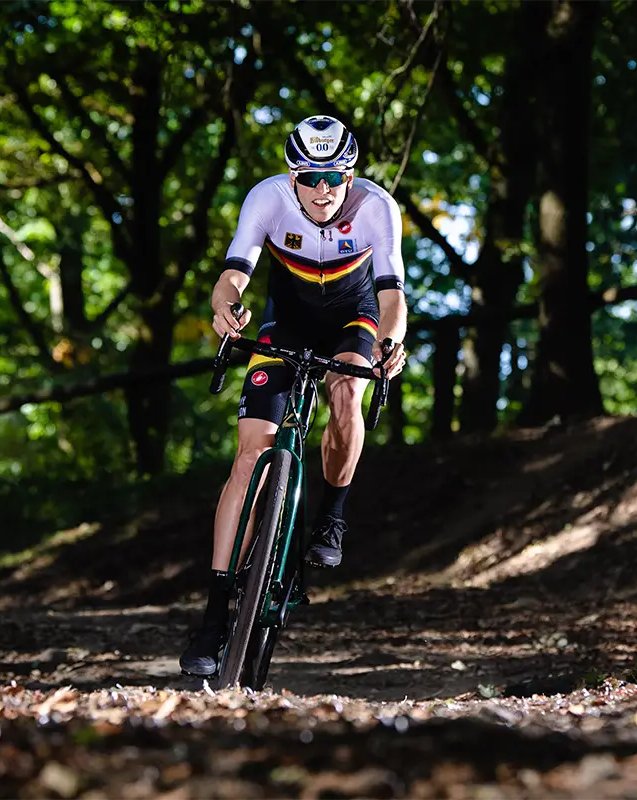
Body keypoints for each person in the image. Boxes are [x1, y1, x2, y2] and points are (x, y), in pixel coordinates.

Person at [179, 115, 409, 677]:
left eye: (335, 177)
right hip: (286, 324)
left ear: (350, 175)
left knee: (348, 391)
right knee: (248, 456)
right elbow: (234, 273)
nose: (323, 190)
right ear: (293, 177)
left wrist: (390, 343)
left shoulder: (377, 207)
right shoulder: (267, 199)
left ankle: (332, 516)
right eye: (311, 178)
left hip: (354, 321)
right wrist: (224, 307)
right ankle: (214, 615)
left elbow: (391, 295)